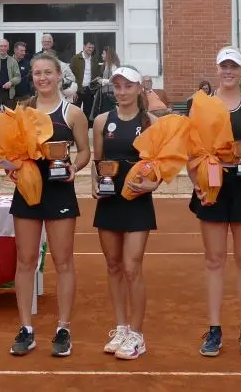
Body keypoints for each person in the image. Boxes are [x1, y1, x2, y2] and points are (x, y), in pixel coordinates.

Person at [8, 53, 91, 358]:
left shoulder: (73, 113)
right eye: (37, 73)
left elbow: (84, 152)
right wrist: (11, 166)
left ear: (59, 75)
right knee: (25, 261)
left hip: (59, 191)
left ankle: (63, 328)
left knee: (63, 261)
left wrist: (75, 168)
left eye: (48, 72)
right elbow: (11, 149)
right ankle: (26, 329)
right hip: (28, 190)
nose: (42, 78)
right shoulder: (23, 110)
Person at [189, 47, 241, 358]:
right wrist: (197, 183)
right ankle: (214, 329)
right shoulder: (202, 106)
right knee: (214, 260)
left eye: (233, 66)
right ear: (217, 68)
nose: (228, 71)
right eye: (223, 65)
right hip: (212, 187)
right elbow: (192, 152)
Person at [91, 65, 159, 360]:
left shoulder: (151, 122)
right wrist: (96, 185)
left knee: (132, 267)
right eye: (117, 87)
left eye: (127, 86)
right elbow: (98, 161)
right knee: (113, 266)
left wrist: (152, 184)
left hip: (137, 201)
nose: (122, 92)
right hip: (109, 200)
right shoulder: (102, 121)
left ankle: (137, 335)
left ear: (138, 89)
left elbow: (159, 166)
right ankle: (120, 327)